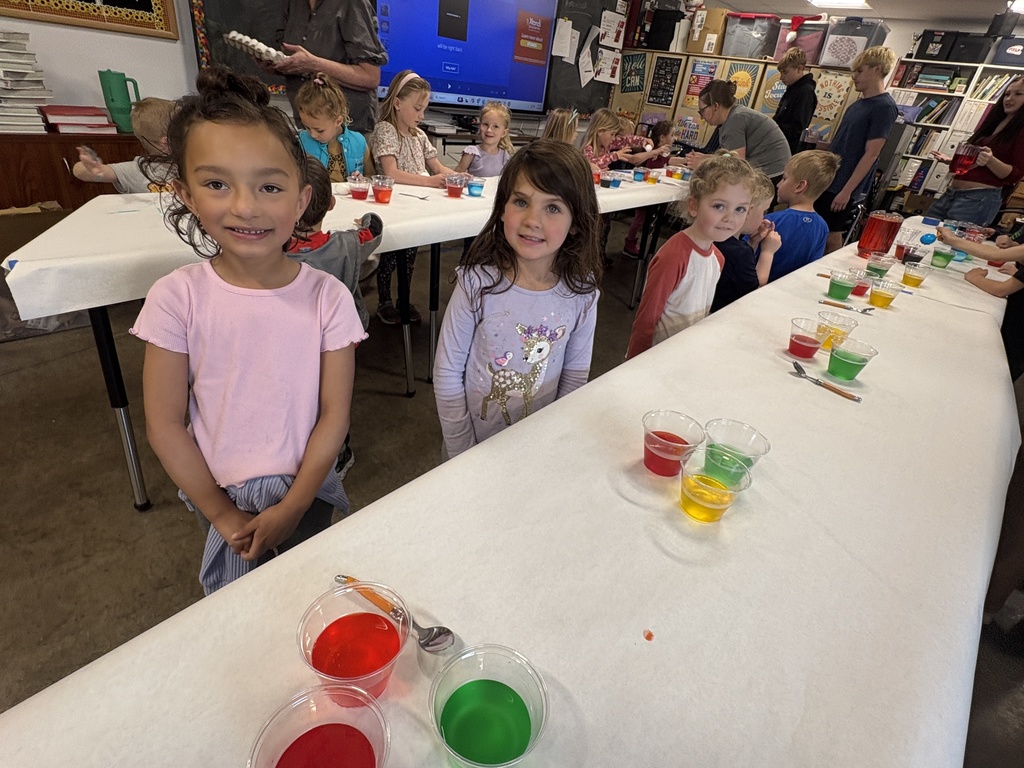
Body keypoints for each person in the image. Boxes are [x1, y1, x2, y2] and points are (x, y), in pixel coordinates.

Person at [131, 66, 365, 595]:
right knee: (247, 612)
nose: (244, 206)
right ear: (187, 194)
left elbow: (335, 414)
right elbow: (165, 424)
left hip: (310, 489)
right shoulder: (177, 297)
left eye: (269, 186)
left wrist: (296, 502)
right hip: (219, 496)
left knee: (310, 594)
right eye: (217, 183)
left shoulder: (327, 297)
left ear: (302, 200)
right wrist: (222, 513)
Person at [432, 139, 602, 459]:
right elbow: (447, 374)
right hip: (470, 451)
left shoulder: (582, 294)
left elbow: (575, 377)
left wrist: (552, 441)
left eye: (553, 207)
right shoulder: (475, 284)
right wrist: (461, 452)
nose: (532, 221)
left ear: (577, 222)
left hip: (537, 450)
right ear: (501, 210)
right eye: (521, 202)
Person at [287, 158, 382, 480]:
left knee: (301, 398)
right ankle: (338, 457)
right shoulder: (348, 243)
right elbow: (375, 230)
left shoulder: (271, 251)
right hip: (342, 342)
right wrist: (367, 218)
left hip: (294, 345)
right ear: (329, 203)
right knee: (335, 401)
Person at [626, 152, 758, 359]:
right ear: (694, 205)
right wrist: (632, 366)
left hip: (684, 355)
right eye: (719, 206)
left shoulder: (717, 258)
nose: (729, 218)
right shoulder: (675, 256)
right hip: (658, 359)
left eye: (740, 209)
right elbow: (646, 320)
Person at [370, 70, 460, 325]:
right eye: (417, 109)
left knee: (409, 257)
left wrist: (460, 176)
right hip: (394, 207)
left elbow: (438, 167)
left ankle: (404, 298)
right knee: (390, 256)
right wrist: (430, 182)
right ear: (397, 103)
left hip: (416, 208)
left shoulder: (419, 136)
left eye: (424, 110)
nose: (422, 116)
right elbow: (391, 172)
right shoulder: (386, 130)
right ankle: (384, 301)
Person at [813, 46, 898, 253]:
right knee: (817, 228)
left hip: (843, 184)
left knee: (832, 234)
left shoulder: (884, 107)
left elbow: (872, 153)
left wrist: (846, 191)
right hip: (830, 178)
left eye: (860, 71)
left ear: (877, 69)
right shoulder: (858, 104)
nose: (854, 77)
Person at [275, 0, 388, 134]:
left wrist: (314, 65)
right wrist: (275, 64)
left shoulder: (352, 4)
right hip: (306, 125)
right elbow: (296, 60)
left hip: (347, 133)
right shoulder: (294, 4)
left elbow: (371, 77)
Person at [927, 76, 1024, 228]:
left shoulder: (1021, 131)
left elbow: (1016, 175)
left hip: (978, 199)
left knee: (952, 246)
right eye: (1007, 94)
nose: (1010, 99)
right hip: (952, 193)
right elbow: (978, 159)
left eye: (1018, 94)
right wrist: (953, 161)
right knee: (925, 232)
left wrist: (990, 161)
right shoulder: (995, 122)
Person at [685, 80, 791, 182]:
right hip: (774, 172)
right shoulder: (734, 115)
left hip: (771, 177)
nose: (702, 117)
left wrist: (704, 162)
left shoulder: (735, 119)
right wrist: (705, 158)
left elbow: (736, 165)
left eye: (702, 111)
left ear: (715, 106)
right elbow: (728, 156)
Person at [709, 171, 781, 312]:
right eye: (764, 212)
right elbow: (755, 289)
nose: (763, 218)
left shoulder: (714, 236)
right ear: (748, 211)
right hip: (721, 315)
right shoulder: (740, 253)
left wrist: (753, 243)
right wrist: (768, 251)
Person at [72, 97, 176, 193]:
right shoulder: (137, 170)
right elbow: (79, 171)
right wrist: (96, 170)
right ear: (166, 142)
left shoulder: (186, 163)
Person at [764, 150, 839, 282]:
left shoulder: (771, 221)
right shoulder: (822, 227)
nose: (778, 184)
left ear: (800, 186)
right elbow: (812, 266)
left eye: (784, 178)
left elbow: (747, 258)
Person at [295, 72, 374, 179]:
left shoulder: (359, 142)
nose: (312, 135)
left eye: (319, 130)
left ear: (338, 121)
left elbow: (371, 175)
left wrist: (362, 179)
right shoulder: (302, 142)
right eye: (307, 127)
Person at [623, 119, 675, 258]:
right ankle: (630, 242)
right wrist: (656, 151)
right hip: (642, 190)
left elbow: (668, 161)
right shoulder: (650, 150)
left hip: (653, 189)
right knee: (639, 218)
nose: (674, 138)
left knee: (644, 218)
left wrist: (686, 161)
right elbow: (639, 161)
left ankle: (637, 243)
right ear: (662, 137)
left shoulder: (664, 152)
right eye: (672, 135)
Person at [773, 47, 818, 155]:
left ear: (799, 69)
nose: (781, 77)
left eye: (785, 72)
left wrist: (774, 127)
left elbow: (797, 128)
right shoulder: (793, 89)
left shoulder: (805, 92)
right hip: (780, 143)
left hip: (789, 148)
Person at [453, 101, 515, 176]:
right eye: (485, 124)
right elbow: (454, 177)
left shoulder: (505, 156)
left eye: (495, 126)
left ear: (504, 133)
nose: (489, 130)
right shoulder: (472, 153)